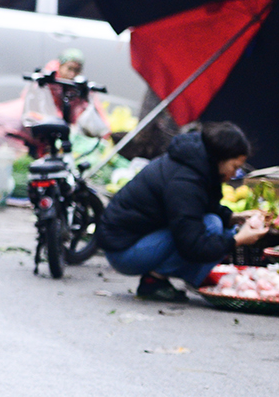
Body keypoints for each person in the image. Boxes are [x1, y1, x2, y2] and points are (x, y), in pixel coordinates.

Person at [95, 121, 268, 303]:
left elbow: (198, 206)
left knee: (217, 223)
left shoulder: (198, 165)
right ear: (220, 159)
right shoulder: (185, 181)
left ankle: (163, 277)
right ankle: (153, 280)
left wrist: (233, 217)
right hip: (123, 252)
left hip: (138, 239)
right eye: (234, 166)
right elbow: (192, 245)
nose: (235, 174)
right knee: (212, 226)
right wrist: (238, 240)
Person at [0, 49, 107, 147]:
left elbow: (93, 116)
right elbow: (33, 105)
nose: (72, 74)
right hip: (23, 125)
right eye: (69, 68)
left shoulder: (76, 88)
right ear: (60, 66)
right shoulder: (46, 80)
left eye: (77, 70)